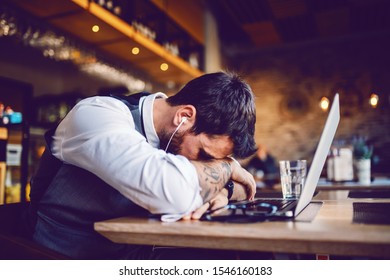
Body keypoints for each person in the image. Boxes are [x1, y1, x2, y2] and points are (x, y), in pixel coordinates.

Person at [27, 71, 258, 259]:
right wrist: (229, 170)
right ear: (184, 116)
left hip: (136, 255)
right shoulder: (97, 114)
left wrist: (222, 189)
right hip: (64, 258)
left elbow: (246, 188)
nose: (204, 164)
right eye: (204, 154)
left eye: (216, 160)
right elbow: (175, 194)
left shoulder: (184, 135)